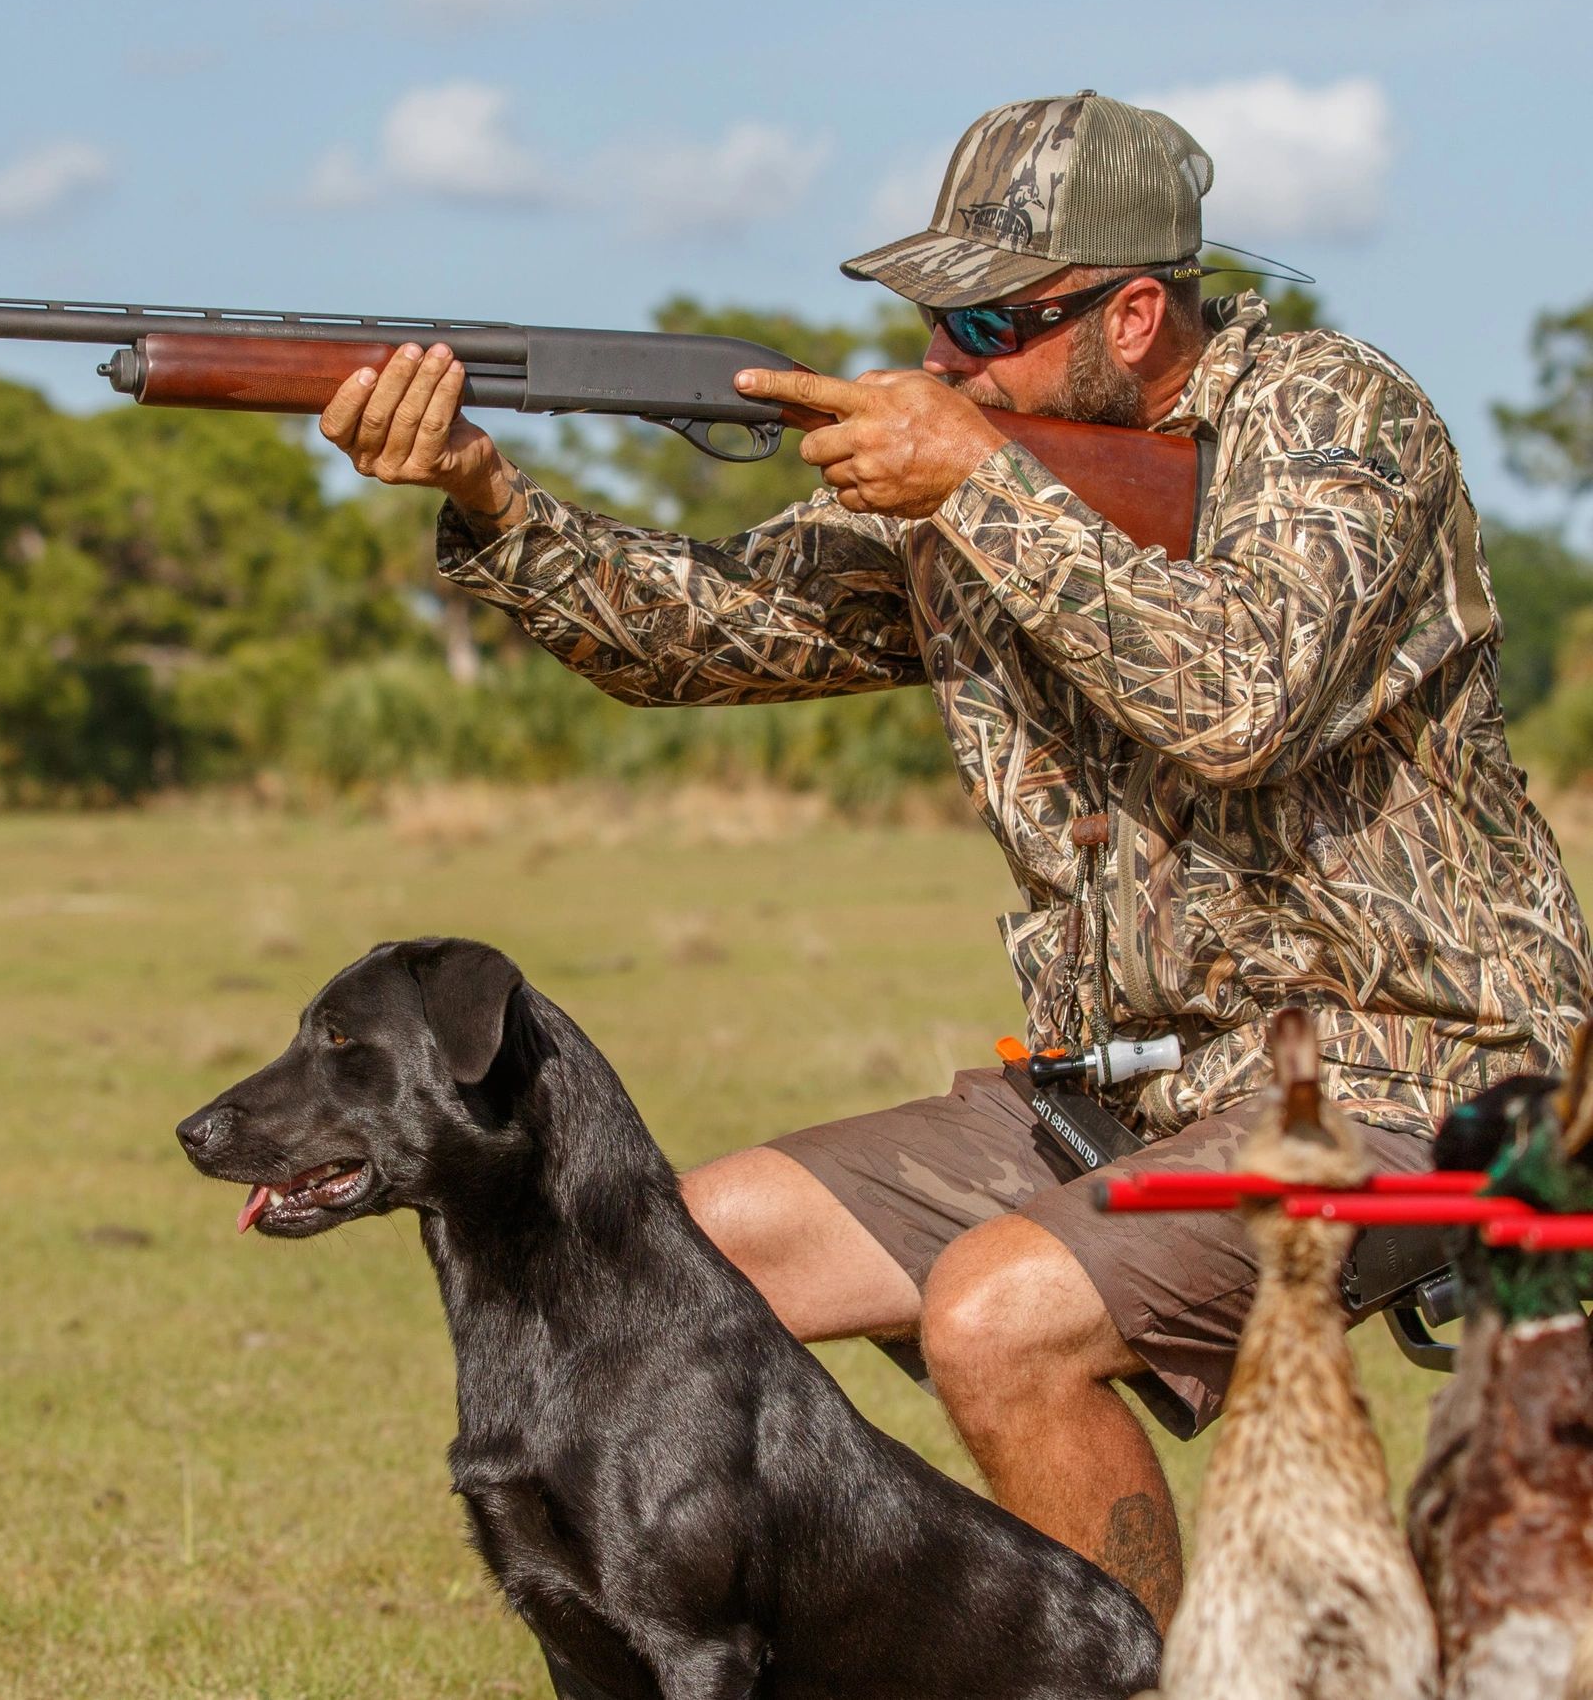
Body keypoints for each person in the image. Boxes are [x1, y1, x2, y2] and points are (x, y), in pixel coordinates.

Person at [313, 88, 1592, 1626]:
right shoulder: (978, 466)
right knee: (674, 1263)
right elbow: (713, 633)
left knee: (999, 1318)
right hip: (1120, 1087)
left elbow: (1244, 700)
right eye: (931, 319)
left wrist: (980, 489)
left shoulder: (1332, 419)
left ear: (1133, 313)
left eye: (987, 322)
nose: (939, 363)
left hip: (1413, 1079)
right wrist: (488, 497)